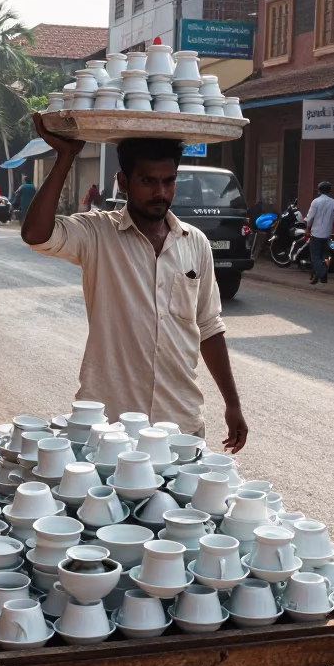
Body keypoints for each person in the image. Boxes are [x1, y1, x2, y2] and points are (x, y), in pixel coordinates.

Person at [21, 123, 248, 448]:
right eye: (148, 181)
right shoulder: (97, 233)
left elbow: (209, 327)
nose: (160, 192)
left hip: (180, 424)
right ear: (124, 182)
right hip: (106, 427)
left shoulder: (194, 242)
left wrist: (233, 403)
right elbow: (36, 235)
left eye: (168, 181)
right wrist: (66, 157)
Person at [305, 180, 334, 285]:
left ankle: (320, 272)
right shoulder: (333, 202)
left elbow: (310, 217)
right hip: (327, 234)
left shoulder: (315, 202)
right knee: (325, 256)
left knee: (315, 256)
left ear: (319, 190)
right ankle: (324, 278)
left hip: (316, 233)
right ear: (329, 190)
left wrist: (308, 227)